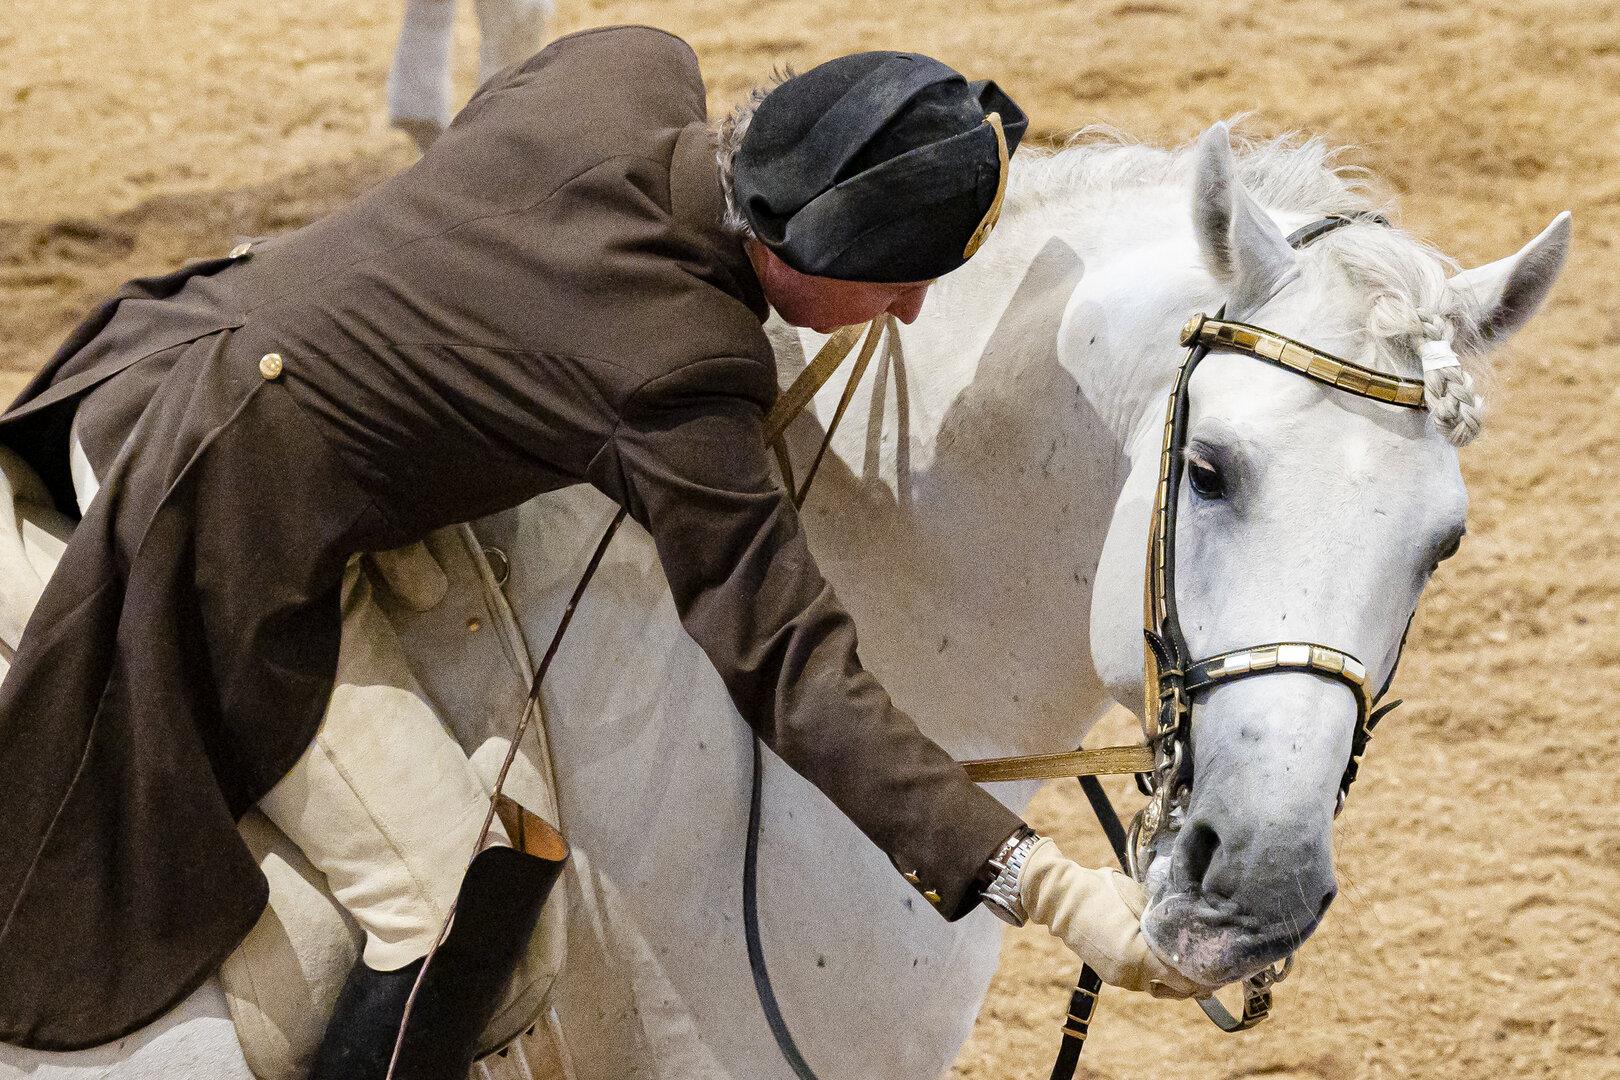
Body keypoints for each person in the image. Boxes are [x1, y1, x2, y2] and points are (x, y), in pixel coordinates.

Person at [0, 24, 1207, 1078]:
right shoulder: (678, 372)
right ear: (800, 257)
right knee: (441, 893)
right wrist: (1045, 889)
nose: (909, 314)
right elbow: (791, 669)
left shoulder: (627, 69)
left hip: (159, 350)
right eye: (894, 286)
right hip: (221, 519)